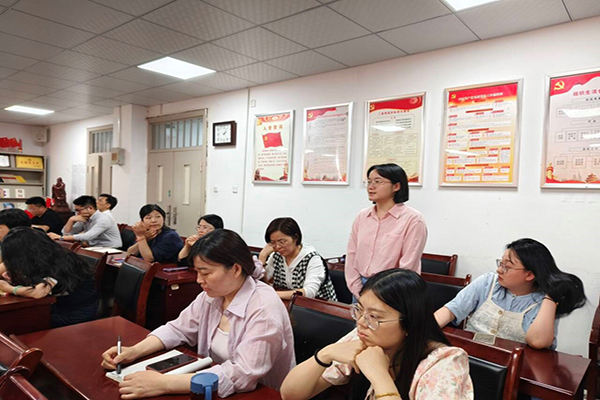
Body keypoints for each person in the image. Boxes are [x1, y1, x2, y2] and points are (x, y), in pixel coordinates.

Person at [101, 229, 295, 399]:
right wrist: (134, 351)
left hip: (261, 394)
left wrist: (165, 384)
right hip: (210, 385)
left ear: (235, 269)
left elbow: (242, 374)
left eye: (206, 273)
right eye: (197, 272)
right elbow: (178, 329)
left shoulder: (263, 307)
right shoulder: (213, 295)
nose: (199, 280)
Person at [280, 269, 473, 400]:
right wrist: (326, 354)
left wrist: (379, 375)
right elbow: (290, 395)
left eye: (374, 316)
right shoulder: (363, 336)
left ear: (410, 323)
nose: (361, 322)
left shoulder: (445, 362)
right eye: (359, 310)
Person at [435, 238, 586, 349]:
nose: (499, 270)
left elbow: (538, 342)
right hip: (471, 355)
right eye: (500, 263)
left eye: (506, 266)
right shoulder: (488, 282)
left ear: (529, 275)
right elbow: (450, 310)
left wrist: (552, 296)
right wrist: (426, 331)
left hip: (514, 368)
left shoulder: (544, 302)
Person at [345, 163, 427, 302]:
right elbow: (352, 254)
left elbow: (408, 266)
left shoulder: (413, 219)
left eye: (378, 181)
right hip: (360, 288)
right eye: (369, 182)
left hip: (393, 291)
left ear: (396, 186)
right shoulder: (362, 216)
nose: (371, 187)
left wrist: (382, 296)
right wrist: (357, 290)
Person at [0, 227, 98, 328]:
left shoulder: (59, 263)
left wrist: (9, 288)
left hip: (73, 314)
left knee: (14, 321)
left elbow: (38, 293)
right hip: (57, 305)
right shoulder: (42, 257)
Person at [259, 217, 336, 301]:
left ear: (296, 238)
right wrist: (262, 257)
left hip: (319, 306)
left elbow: (309, 292)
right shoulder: (277, 256)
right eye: (273, 242)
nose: (277, 247)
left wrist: (273, 294)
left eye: (282, 242)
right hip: (290, 303)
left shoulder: (312, 259)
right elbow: (260, 282)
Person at [48, 195, 122, 248]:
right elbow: (66, 233)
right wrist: (71, 220)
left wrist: (60, 237)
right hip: (95, 247)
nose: (78, 213)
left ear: (90, 208)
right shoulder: (84, 217)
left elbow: (88, 236)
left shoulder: (104, 219)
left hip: (110, 248)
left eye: (79, 210)